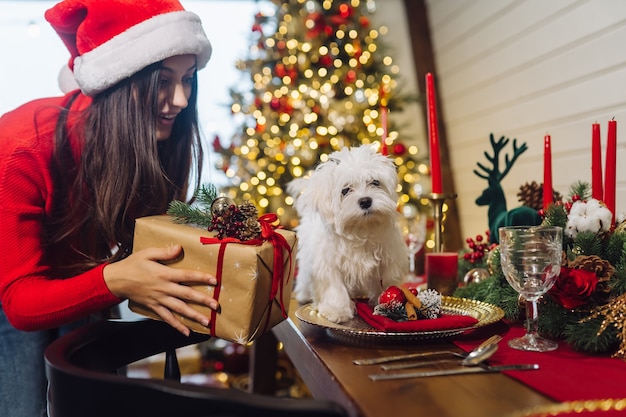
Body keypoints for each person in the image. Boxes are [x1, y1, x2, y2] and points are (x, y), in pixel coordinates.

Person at [0, 1, 219, 416]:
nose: (179, 99)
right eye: (162, 81)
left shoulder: (162, 138)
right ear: (119, 80)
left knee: (98, 399)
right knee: (21, 407)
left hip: (83, 268)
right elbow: (19, 302)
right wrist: (116, 279)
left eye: (188, 79)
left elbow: (147, 237)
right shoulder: (21, 151)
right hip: (10, 287)